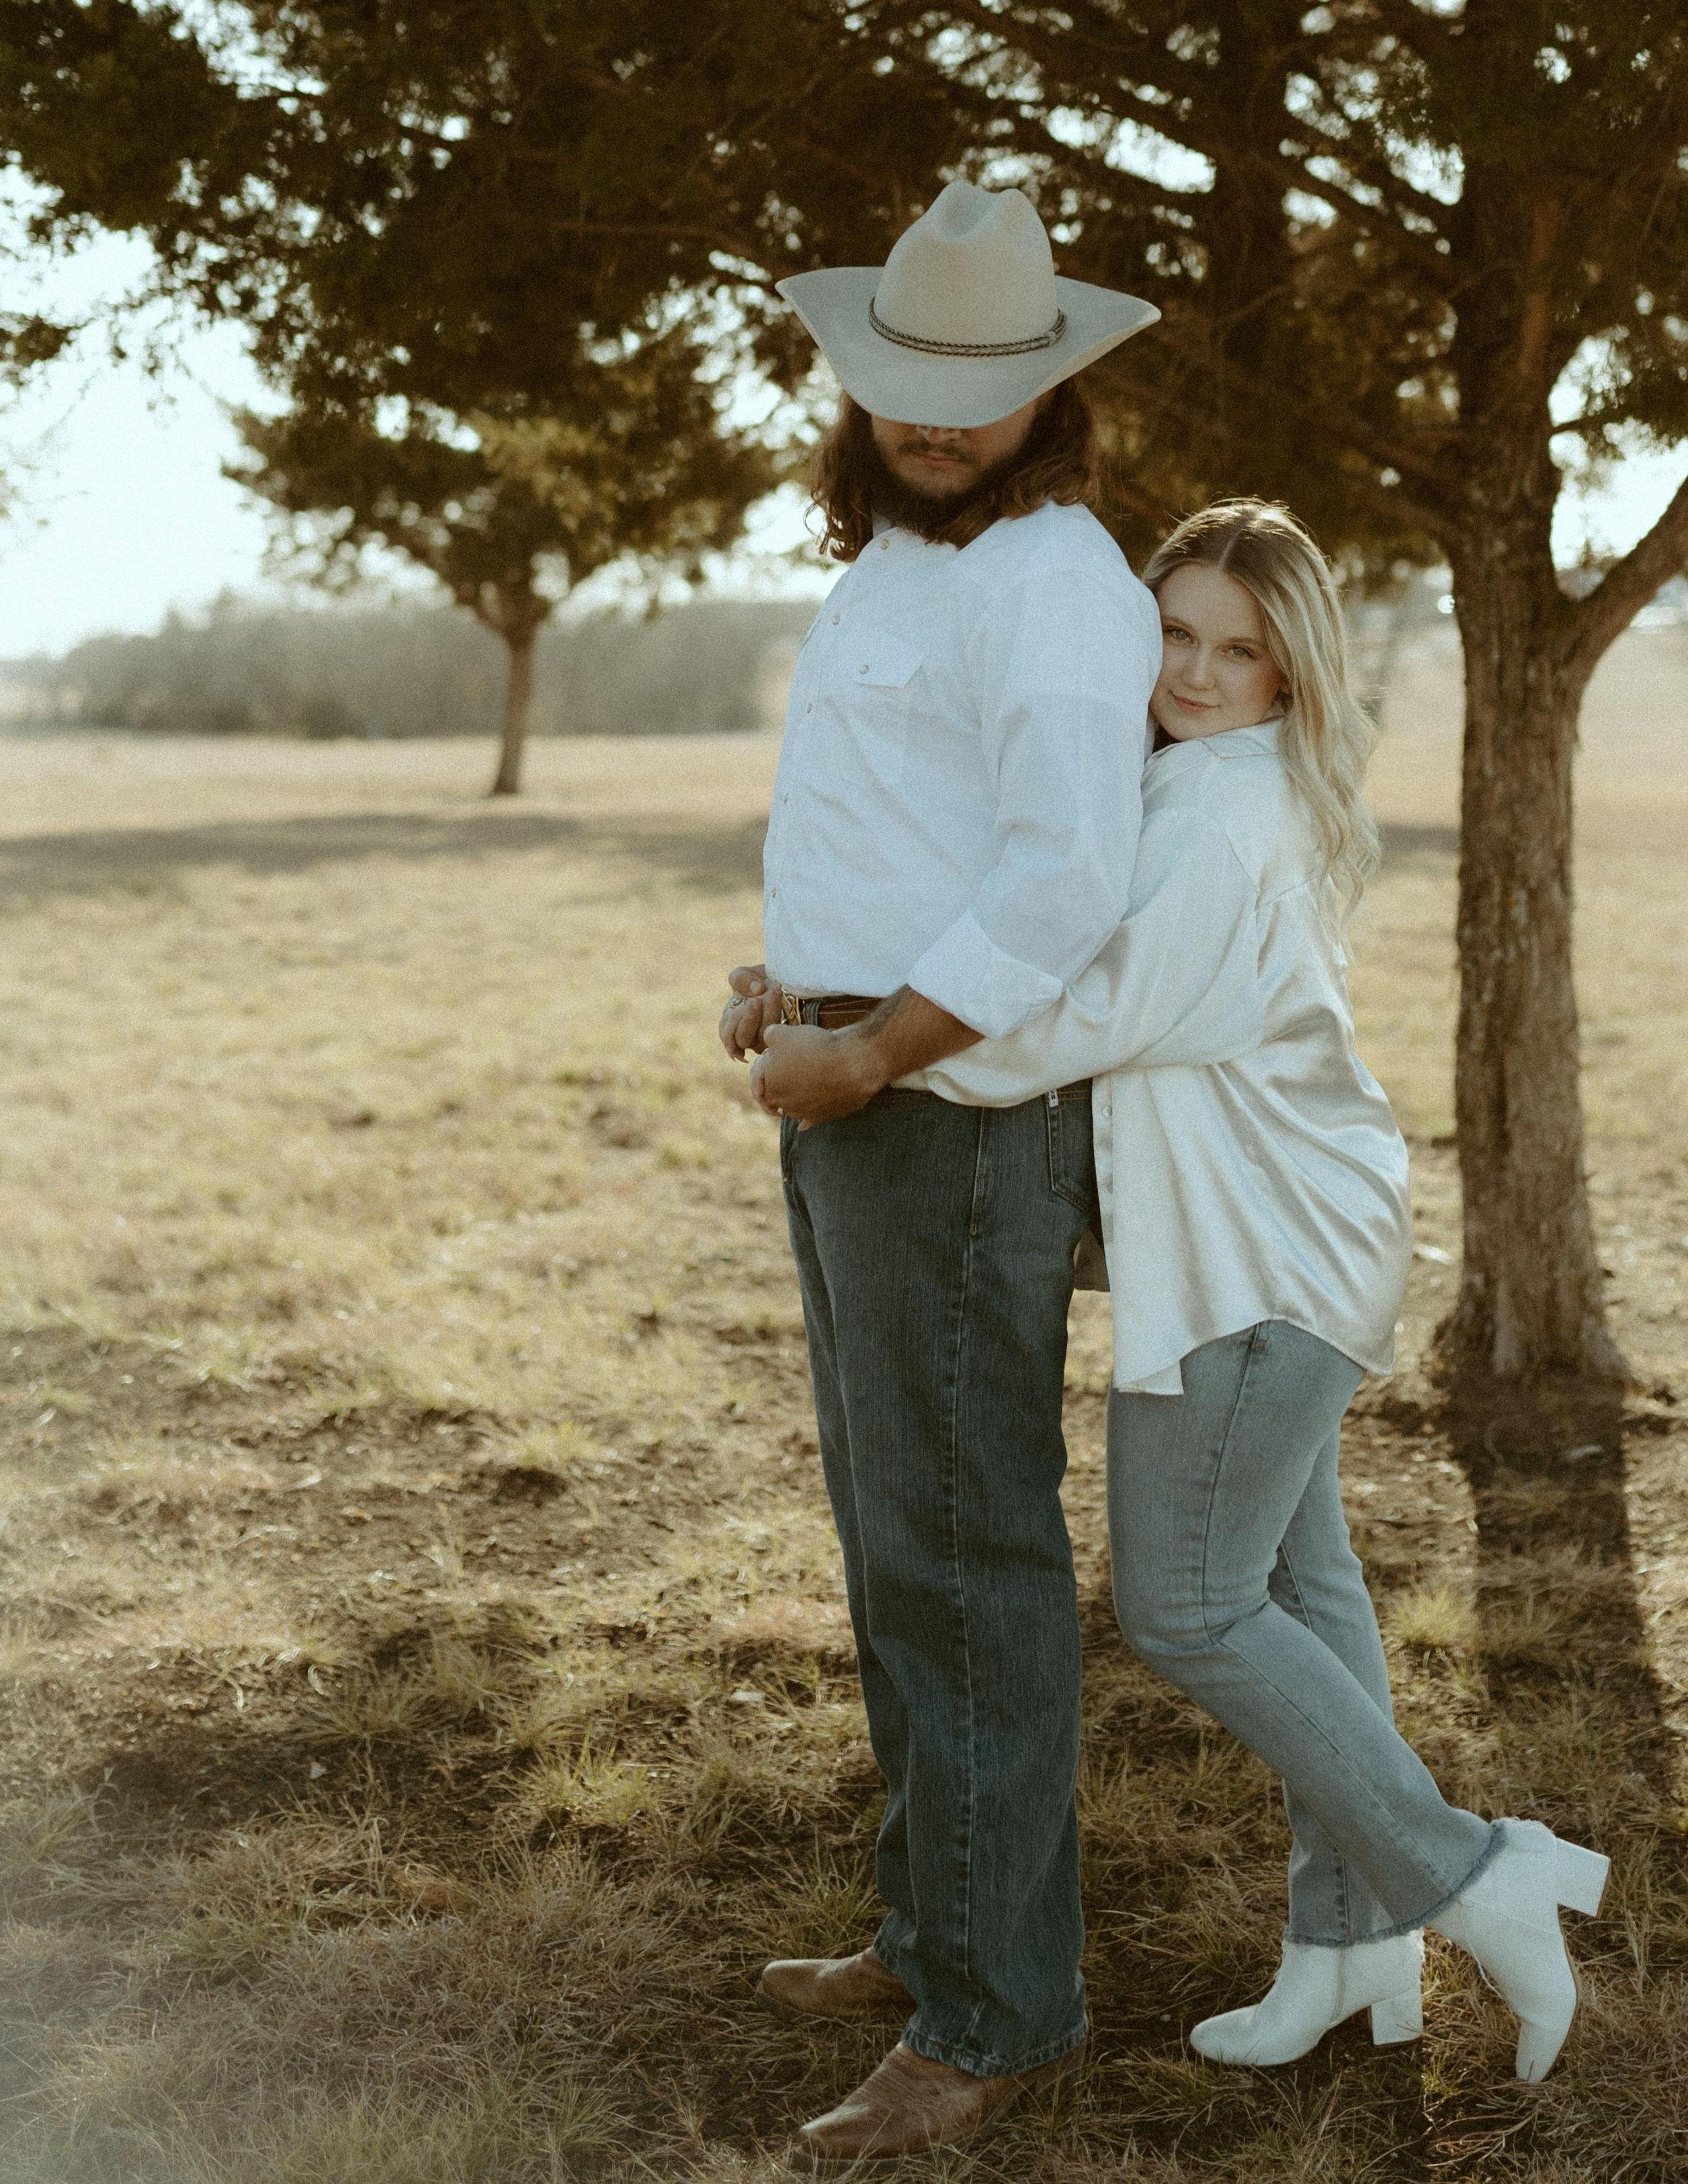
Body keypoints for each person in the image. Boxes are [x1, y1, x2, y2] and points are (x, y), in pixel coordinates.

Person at [757, 500, 1611, 2088]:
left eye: (1243, 649)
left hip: (1261, 1264)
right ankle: (1349, 1943)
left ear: (1293, 673)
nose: (1199, 673)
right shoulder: (1190, 784)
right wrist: (829, 973)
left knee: (1191, 1606)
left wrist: (865, 1054)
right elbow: (1019, 920)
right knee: (1304, 1588)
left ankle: (1472, 1873)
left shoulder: (1217, 819)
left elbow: (1069, 1019)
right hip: (1298, 1235)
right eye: (1176, 634)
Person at [716, 179, 1161, 2169]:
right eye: (907, 379)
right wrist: (793, 981)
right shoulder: (894, 561)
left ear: (1049, 397)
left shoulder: (1057, 582)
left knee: (965, 1554)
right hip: (850, 1086)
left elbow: (1067, 879)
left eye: (981, 388)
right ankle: (933, 1933)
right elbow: (903, 829)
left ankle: (998, 2012)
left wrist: (875, 1044)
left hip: (950, 1120)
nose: (936, 416)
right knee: (891, 1533)